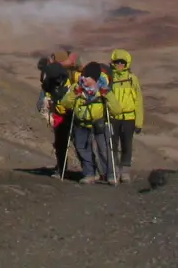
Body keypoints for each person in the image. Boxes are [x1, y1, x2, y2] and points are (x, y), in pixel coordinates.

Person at [56, 61, 124, 185]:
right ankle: (89, 174)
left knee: (104, 149)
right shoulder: (77, 87)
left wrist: (107, 95)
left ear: (94, 78)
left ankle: (110, 174)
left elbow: (117, 110)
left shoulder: (104, 89)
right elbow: (65, 103)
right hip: (80, 122)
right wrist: (74, 93)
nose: (83, 78)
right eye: (83, 75)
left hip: (99, 122)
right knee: (82, 148)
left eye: (86, 76)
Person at [109, 48, 145, 183]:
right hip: (113, 117)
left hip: (129, 118)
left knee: (127, 145)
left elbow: (138, 100)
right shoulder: (109, 78)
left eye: (122, 62)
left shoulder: (132, 79)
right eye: (117, 62)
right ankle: (114, 169)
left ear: (126, 64)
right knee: (112, 144)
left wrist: (139, 122)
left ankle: (125, 170)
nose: (119, 65)